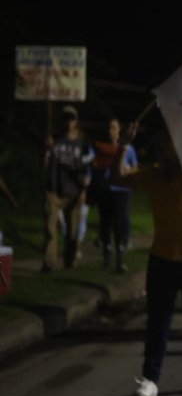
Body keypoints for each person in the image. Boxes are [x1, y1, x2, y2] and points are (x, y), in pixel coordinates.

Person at [111, 120, 182, 396]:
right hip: (161, 259)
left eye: (165, 142)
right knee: (158, 321)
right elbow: (117, 178)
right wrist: (123, 144)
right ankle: (150, 380)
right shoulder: (155, 174)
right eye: (158, 142)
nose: (159, 147)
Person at [43, 105, 94, 272]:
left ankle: (69, 261)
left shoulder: (83, 142)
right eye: (66, 118)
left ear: (76, 121)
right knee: (50, 229)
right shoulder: (54, 139)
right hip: (54, 189)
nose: (68, 122)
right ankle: (49, 263)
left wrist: (85, 189)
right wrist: (47, 149)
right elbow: (45, 164)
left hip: (74, 190)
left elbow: (88, 166)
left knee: (72, 233)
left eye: (71, 118)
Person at [92, 117, 139, 272]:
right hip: (105, 189)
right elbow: (93, 165)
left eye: (113, 127)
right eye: (108, 127)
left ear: (119, 129)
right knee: (105, 223)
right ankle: (106, 257)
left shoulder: (127, 149)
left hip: (121, 191)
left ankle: (120, 258)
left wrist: (125, 170)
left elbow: (135, 167)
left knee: (119, 223)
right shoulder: (101, 148)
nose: (110, 131)